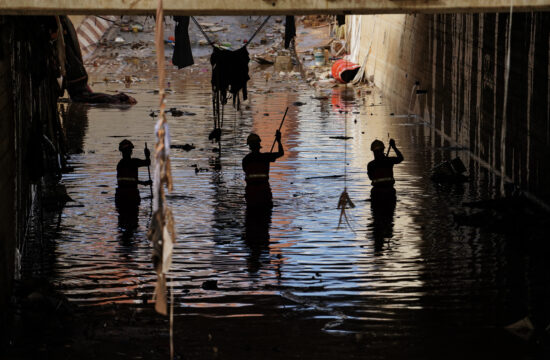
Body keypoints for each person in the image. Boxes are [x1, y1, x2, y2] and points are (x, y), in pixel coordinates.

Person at [242, 130, 284, 208]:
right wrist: (278, 140)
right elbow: (281, 153)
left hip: (251, 195)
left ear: (249, 146)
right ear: (259, 145)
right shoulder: (266, 157)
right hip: (264, 194)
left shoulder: (245, 160)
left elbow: (245, 170)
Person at [115, 139, 152, 207]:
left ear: (122, 152)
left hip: (120, 197)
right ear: (130, 152)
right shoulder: (134, 162)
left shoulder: (119, 164)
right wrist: (147, 155)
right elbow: (148, 162)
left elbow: (128, 181)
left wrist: (144, 183)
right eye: (130, 150)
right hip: (132, 196)